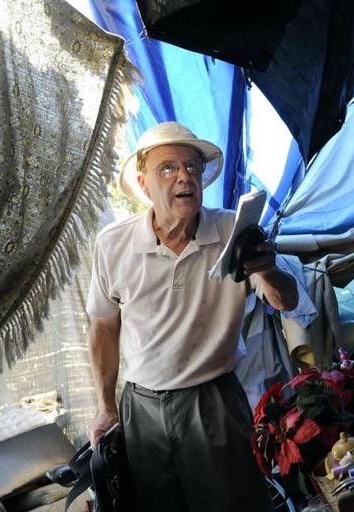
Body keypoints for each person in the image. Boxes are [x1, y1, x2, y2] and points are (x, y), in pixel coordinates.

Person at [85, 121, 298, 511]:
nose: (185, 176)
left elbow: (286, 301)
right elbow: (103, 327)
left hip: (212, 400)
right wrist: (105, 407)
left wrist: (265, 268)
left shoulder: (232, 228)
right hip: (141, 407)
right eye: (168, 168)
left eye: (193, 167)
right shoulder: (113, 245)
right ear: (144, 183)